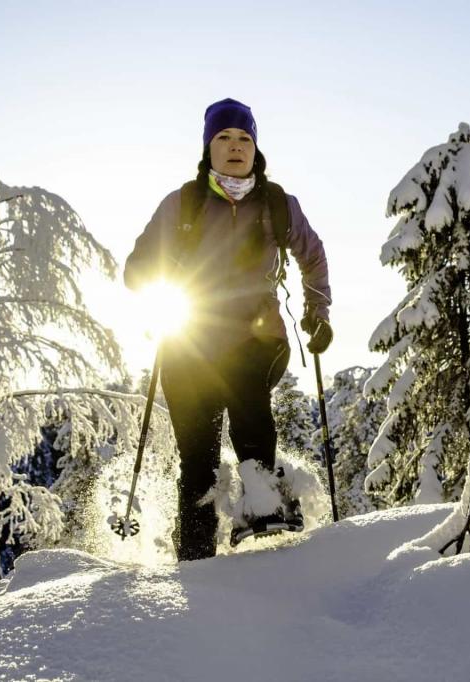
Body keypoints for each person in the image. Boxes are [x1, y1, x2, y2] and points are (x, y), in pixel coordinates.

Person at [124, 98, 333, 561]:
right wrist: (164, 266)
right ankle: (196, 557)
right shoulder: (182, 204)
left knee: (243, 381)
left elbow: (312, 256)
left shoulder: (278, 204)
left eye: (244, 138)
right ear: (208, 147)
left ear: (255, 148)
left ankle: (264, 506)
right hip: (190, 343)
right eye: (224, 138)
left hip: (259, 336)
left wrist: (317, 313)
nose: (235, 147)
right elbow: (136, 270)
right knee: (196, 457)